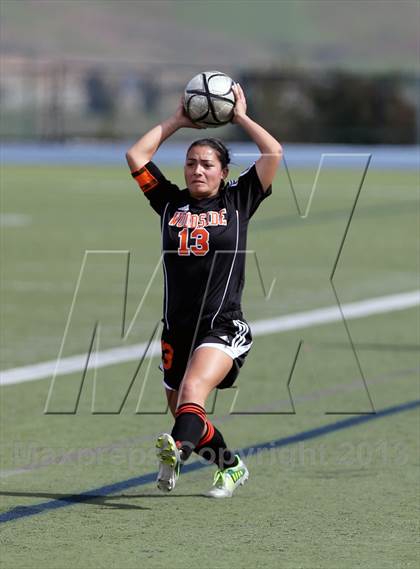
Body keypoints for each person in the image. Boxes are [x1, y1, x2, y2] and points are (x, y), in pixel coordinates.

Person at [126, 84, 282, 498]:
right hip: (176, 329)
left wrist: (240, 117)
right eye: (191, 163)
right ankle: (231, 468)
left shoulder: (239, 200)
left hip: (222, 325)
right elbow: (136, 156)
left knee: (193, 396)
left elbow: (273, 154)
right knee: (187, 412)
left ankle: (175, 450)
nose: (197, 170)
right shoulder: (169, 203)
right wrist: (177, 120)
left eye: (207, 164)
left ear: (224, 172)